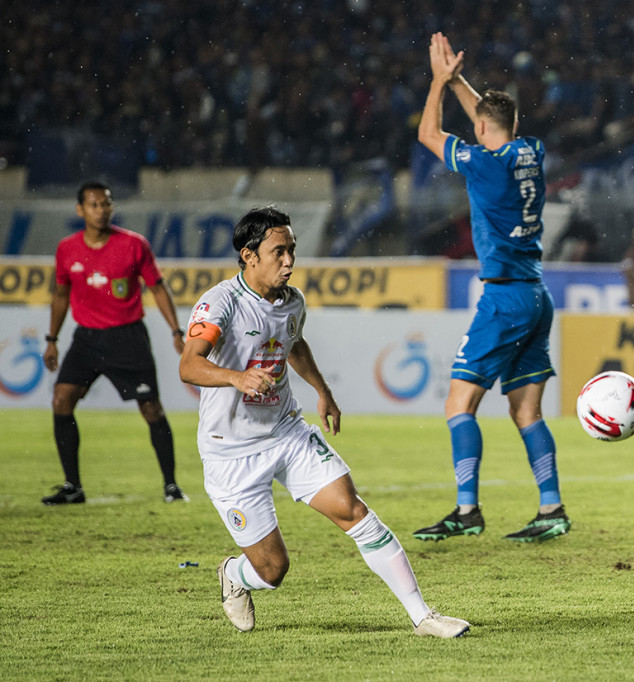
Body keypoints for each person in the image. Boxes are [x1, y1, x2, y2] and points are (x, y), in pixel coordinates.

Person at [178, 206, 469, 637]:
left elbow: (293, 343)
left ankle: (422, 616)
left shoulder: (292, 300)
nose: (289, 261)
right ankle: (234, 575)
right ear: (249, 255)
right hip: (232, 452)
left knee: (353, 510)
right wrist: (237, 377)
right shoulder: (221, 303)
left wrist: (322, 390)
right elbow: (189, 365)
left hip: (287, 432)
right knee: (273, 569)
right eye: (279, 252)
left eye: (292, 250)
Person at [413, 33, 570, 543]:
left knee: (458, 404)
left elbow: (428, 133)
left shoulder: (483, 163)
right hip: (536, 295)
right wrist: (458, 80)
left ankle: (467, 510)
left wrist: (439, 83)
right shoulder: (530, 151)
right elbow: (489, 121)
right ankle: (551, 508)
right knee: (526, 411)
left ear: (481, 129)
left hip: (503, 299)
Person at [41, 181, 188, 505]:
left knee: (151, 409)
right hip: (86, 339)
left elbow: (158, 287)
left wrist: (176, 330)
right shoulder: (67, 249)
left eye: (106, 203)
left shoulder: (134, 244)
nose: (101, 210)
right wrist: (52, 339)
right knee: (61, 400)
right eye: (94, 204)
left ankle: (171, 486)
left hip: (128, 338)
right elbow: (61, 294)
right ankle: (73, 487)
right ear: (80, 210)